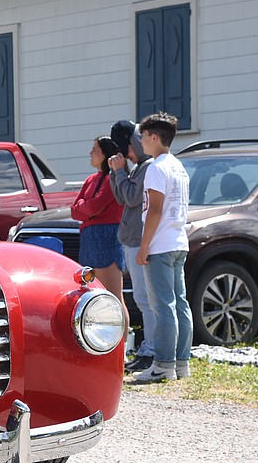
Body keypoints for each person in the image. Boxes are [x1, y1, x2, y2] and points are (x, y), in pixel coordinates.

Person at [132, 112, 193, 383]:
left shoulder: (156, 167)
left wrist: (144, 247)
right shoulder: (178, 166)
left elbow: (154, 210)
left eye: (143, 137)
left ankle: (163, 365)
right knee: (180, 304)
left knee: (163, 306)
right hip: (179, 241)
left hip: (160, 244)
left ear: (154, 137)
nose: (141, 142)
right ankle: (181, 363)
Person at [108, 119, 156, 373]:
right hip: (132, 240)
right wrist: (117, 171)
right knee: (141, 298)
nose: (124, 153)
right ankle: (149, 346)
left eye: (124, 148)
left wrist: (119, 171)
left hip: (140, 242)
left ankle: (151, 349)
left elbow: (132, 197)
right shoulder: (136, 167)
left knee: (146, 299)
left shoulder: (147, 168)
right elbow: (120, 197)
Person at [71, 136, 128, 314]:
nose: (90, 153)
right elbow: (74, 210)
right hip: (89, 240)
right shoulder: (90, 179)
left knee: (113, 296)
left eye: (95, 149)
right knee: (93, 296)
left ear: (105, 153)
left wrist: (86, 209)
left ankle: (123, 342)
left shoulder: (112, 179)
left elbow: (96, 206)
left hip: (107, 238)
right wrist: (86, 208)